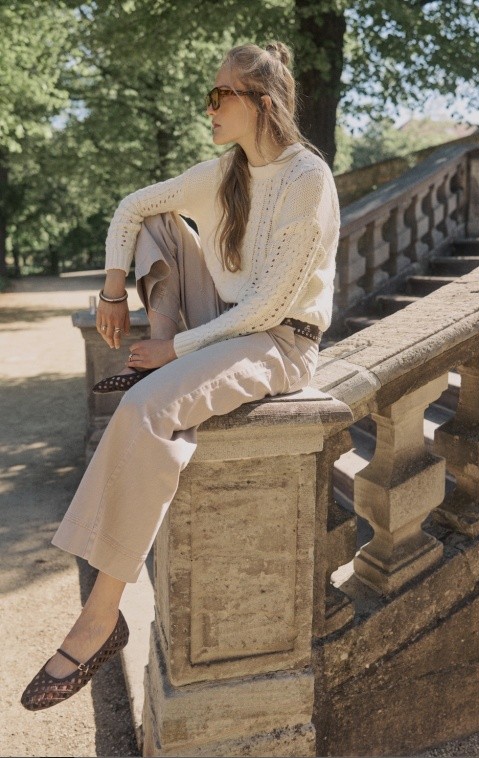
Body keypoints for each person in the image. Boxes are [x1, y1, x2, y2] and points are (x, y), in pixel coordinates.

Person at [21, 40, 340, 711]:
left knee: (146, 410)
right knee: (157, 221)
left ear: (262, 103)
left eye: (220, 95)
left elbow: (271, 307)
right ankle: (162, 354)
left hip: (280, 342)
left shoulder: (306, 178)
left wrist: (174, 354)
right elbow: (130, 207)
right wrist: (114, 291)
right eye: (209, 95)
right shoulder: (222, 173)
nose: (209, 107)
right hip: (222, 323)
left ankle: (100, 618)